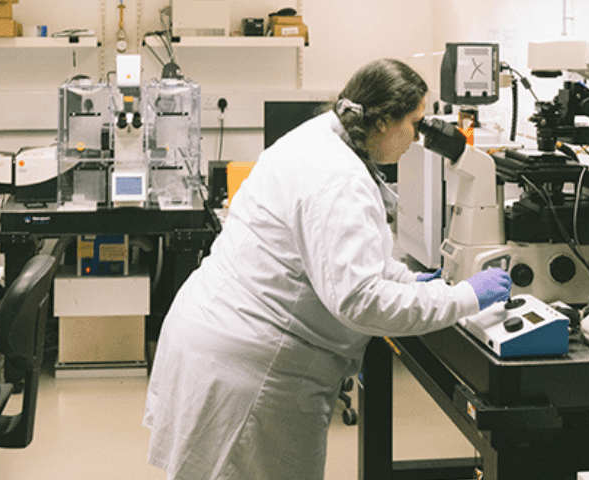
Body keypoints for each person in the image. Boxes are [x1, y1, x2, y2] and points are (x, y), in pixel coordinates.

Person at [143, 58, 512, 480]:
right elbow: (358, 300)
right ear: (384, 121)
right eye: (415, 123)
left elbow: (333, 254)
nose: (417, 138)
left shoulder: (320, 137)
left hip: (214, 337)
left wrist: (406, 280)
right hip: (252, 369)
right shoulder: (340, 178)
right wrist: (463, 297)